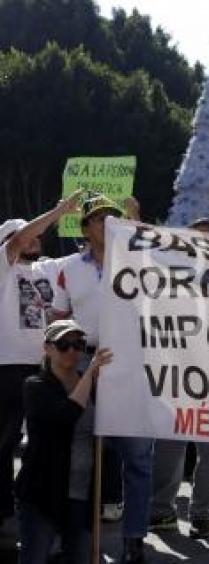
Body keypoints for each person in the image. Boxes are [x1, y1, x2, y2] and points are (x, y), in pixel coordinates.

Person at [51, 194, 151, 564]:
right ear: (85, 227)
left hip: (128, 361)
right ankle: (72, 535)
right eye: (98, 218)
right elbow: (58, 317)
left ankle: (134, 538)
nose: (107, 223)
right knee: (78, 455)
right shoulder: (68, 268)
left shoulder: (136, 261)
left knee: (138, 455)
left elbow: (158, 257)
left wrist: (136, 218)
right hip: (82, 362)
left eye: (113, 217)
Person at [0, 191, 82, 535]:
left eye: (38, 234)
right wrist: (59, 209)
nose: (36, 238)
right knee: (3, 445)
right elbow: (20, 238)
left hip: (46, 369)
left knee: (44, 442)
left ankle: (36, 507)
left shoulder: (46, 268)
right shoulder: (3, 267)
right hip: (7, 368)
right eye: (28, 234)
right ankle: (4, 513)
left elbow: (92, 256)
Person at [149, 217, 209, 539]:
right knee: (170, 445)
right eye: (197, 237)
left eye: (208, 238)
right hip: (178, 371)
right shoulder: (172, 274)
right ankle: (163, 509)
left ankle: (201, 513)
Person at [15, 319, 112, 564]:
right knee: (34, 557)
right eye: (64, 344)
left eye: (78, 344)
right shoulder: (34, 385)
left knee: (79, 557)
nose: (72, 351)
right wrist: (90, 373)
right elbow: (66, 415)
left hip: (82, 494)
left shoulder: (92, 382)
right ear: (47, 348)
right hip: (42, 494)